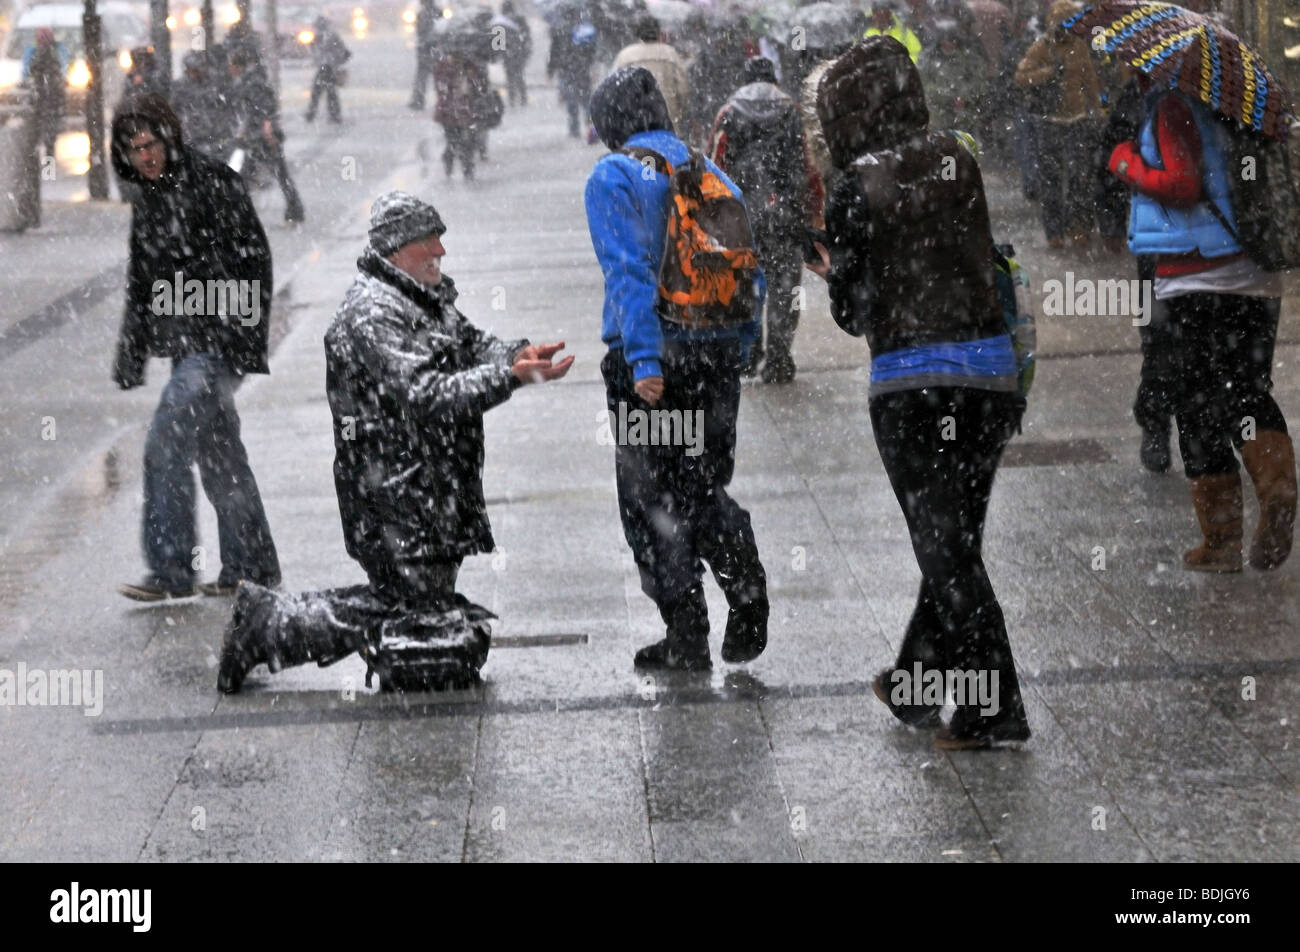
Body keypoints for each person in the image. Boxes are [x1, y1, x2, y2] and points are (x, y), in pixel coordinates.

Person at [216, 192, 573, 692]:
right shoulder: (372, 314)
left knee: (418, 605)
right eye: (428, 240)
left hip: (428, 489)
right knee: (410, 608)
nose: (440, 250)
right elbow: (425, 395)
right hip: (393, 495)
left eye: (440, 238)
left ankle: (269, 625)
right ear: (395, 249)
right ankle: (270, 625)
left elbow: (470, 344)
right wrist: (512, 378)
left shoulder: (417, 297)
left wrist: (516, 353)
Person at [805, 36, 1030, 749]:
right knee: (956, 539)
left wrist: (834, 268)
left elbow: (855, 311)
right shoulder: (957, 157)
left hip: (913, 383)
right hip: (991, 374)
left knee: (945, 550)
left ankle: (994, 705)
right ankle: (915, 685)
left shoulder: (852, 186)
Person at [585, 66, 769, 671]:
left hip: (656, 363)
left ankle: (686, 633)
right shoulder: (706, 169)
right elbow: (747, 268)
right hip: (716, 355)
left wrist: (643, 359)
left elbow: (630, 272)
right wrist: (742, 343)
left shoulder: (614, 175)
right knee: (701, 484)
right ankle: (745, 589)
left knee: (650, 500)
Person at [1107, 79, 1295, 572]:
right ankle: (1277, 486)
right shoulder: (1242, 103)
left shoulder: (1172, 105)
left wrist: (1127, 160)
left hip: (1193, 276)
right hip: (1254, 274)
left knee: (1195, 407)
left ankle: (1221, 542)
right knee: (1248, 391)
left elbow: (1182, 186)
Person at [109, 93, 280, 602]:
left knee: (166, 441)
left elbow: (255, 259)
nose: (146, 156)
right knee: (220, 452)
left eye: (150, 144)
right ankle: (251, 565)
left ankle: (171, 569)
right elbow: (142, 281)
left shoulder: (211, 182)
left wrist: (240, 337)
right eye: (135, 149)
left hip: (217, 343)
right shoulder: (150, 199)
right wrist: (132, 351)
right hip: (189, 346)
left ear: (167, 137)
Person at [710, 56, 809, 383]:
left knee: (746, 286)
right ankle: (779, 359)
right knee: (784, 289)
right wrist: (806, 210)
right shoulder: (792, 112)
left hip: (741, 217)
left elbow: (716, 165)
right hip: (785, 213)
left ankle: (748, 356)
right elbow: (806, 167)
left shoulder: (729, 112)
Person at [1014, 0, 1102, 249]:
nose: (1064, 28)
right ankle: (1054, 231)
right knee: (1050, 179)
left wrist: (1097, 109)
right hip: (1050, 120)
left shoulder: (1081, 47)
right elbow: (1020, 77)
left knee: (1079, 177)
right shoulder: (1041, 47)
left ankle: (1079, 227)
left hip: (1077, 119)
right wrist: (1048, 72)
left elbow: (1090, 79)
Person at [227, 46, 305, 223]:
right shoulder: (254, 79)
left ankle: (239, 212)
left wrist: (267, 130)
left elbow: (262, 108)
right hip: (259, 136)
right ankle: (294, 209)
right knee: (276, 173)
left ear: (238, 65)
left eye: (231, 65)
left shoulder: (252, 82)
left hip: (261, 137)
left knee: (259, 173)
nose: (229, 69)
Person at [611, 14, 688, 131]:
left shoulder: (625, 56)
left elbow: (613, 88)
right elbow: (683, 89)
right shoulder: (670, 54)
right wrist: (679, 111)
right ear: (658, 33)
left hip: (634, 117)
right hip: (667, 115)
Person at [433, 39, 494, 179]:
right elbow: (441, 88)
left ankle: (467, 168)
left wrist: (473, 77)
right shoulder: (444, 67)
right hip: (450, 112)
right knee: (453, 141)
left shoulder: (470, 66)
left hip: (466, 110)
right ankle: (451, 161)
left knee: (468, 142)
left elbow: (481, 86)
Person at [917, 19, 988, 135]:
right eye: (946, 40)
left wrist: (964, 96)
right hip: (938, 117)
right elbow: (924, 87)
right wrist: (949, 97)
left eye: (953, 40)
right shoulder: (928, 60)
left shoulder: (969, 58)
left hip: (965, 117)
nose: (950, 43)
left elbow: (979, 82)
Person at [170, 51, 236, 162]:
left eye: (196, 70)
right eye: (191, 71)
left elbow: (226, 108)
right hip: (191, 135)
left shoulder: (216, 83)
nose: (194, 74)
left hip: (213, 135)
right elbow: (174, 109)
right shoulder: (180, 87)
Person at [548, 7, 598, 138]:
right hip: (583, 68)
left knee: (571, 99)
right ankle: (590, 127)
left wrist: (550, 70)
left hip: (565, 69)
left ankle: (574, 129)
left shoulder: (559, 30)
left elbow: (554, 52)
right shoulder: (585, 31)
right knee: (586, 98)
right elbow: (591, 51)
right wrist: (592, 66)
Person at [24, 27, 65, 159]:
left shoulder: (37, 52)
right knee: (49, 140)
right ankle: (48, 171)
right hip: (50, 99)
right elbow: (60, 70)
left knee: (37, 137)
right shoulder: (54, 52)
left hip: (42, 99)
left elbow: (29, 70)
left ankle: (38, 167)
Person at [304, 15, 351, 124]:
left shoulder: (321, 36)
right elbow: (343, 51)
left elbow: (317, 52)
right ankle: (334, 114)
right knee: (330, 92)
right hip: (329, 67)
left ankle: (312, 114)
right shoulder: (330, 35)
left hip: (325, 67)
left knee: (319, 92)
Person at [497, 0, 533, 107]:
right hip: (519, 53)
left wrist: (499, 53)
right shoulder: (520, 20)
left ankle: (513, 98)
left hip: (508, 55)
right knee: (519, 76)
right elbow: (527, 37)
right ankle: (523, 97)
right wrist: (526, 51)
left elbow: (497, 43)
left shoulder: (500, 23)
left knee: (510, 77)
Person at [409, 0, 439, 110]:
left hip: (425, 48)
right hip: (433, 48)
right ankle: (441, 100)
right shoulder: (437, 12)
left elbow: (419, 31)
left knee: (422, 76)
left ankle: (418, 100)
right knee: (436, 76)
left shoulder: (422, 13)